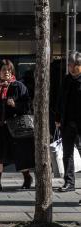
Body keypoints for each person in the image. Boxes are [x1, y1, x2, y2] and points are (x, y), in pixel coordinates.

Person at [0, 59, 35, 191]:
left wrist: (16, 105)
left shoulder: (18, 86)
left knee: (19, 155)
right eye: (3, 70)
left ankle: (27, 177)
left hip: (15, 127)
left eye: (9, 69)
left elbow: (28, 107)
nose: (6, 72)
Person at [55, 51, 81, 192]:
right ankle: (69, 182)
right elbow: (60, 100)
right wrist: (58, 118)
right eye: (70, 65)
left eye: (73, 65)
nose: (71, 68)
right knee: (67, 153)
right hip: (67, 122)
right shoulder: (66, 80)